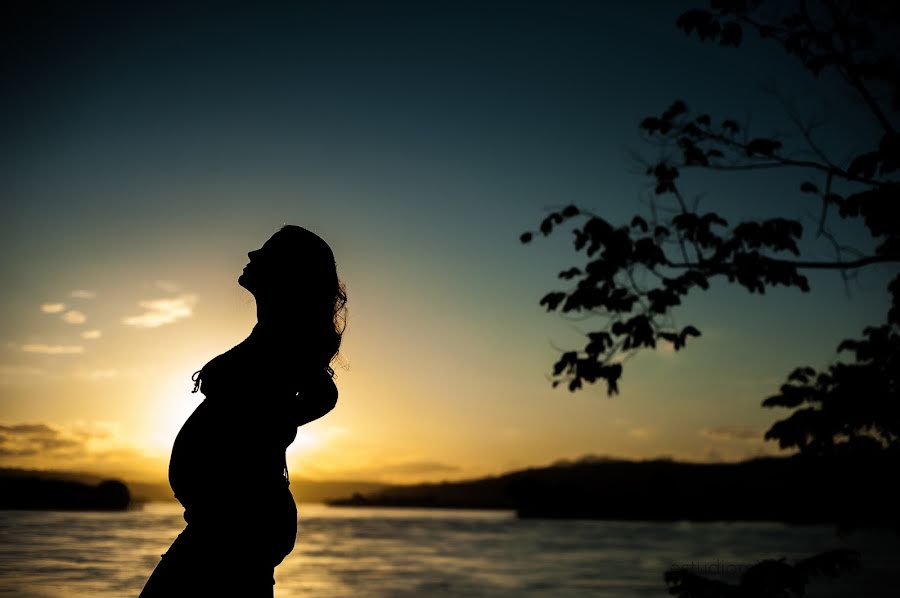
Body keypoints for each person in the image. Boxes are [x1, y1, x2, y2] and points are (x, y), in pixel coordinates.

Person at [140, 225, 347, 597]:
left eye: (264, 251)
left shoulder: (286, 335)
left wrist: (269, 423)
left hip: (239, 518)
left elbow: (323, 395)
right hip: (228, 518)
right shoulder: (271, 333)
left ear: (287, 272)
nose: (252, 255)